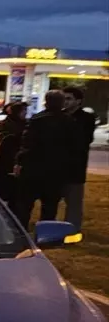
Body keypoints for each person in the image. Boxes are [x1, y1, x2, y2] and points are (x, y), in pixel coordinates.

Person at [14, 89, 78, 227]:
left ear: (46, 102)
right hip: (56, 171)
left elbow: (27, 145)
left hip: (33, 169)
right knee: (50, 207)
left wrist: (20, 162)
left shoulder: (36, 120)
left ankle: (22, 232)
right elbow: (73, 148)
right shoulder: (69, 122)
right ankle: (46, 234)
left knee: (25, 205)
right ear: (61, 103)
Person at [61, 86, 97, 232]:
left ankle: (72, 230)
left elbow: (85, 140)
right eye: (64, 99)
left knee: (74, 202)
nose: (65, 102)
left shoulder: (86, 118)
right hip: (56, 167)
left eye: (69, 99)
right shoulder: (59, 115)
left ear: (78, 101)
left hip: (75, 168)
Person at [0, 101, 27, 206]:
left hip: (19, 160)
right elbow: (3, 141)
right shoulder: (4, 124)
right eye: (23, 111)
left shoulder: (25, 124)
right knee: (4, 188)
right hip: (6, 161)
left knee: (16, 191)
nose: (25, 113)